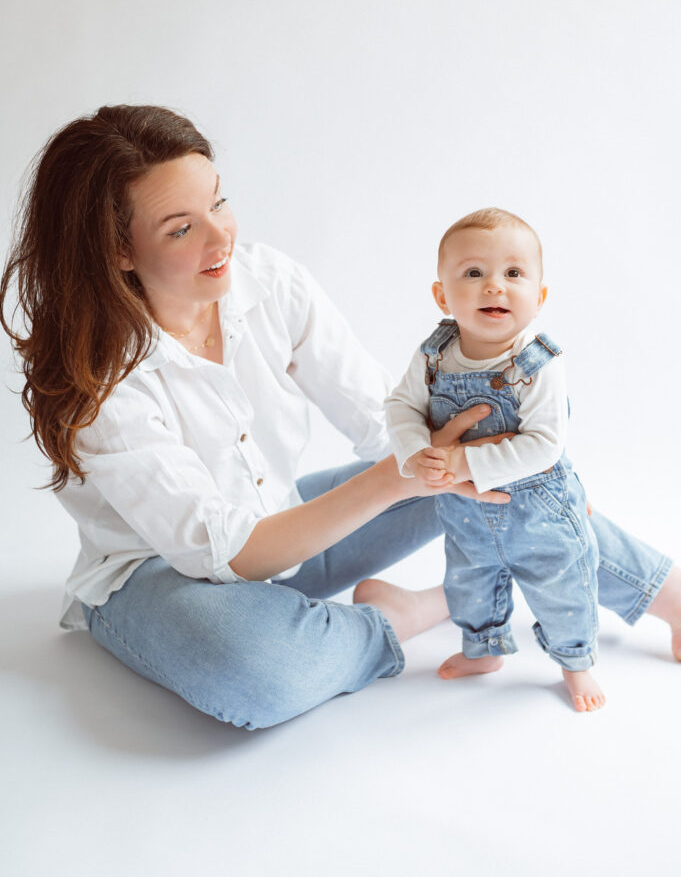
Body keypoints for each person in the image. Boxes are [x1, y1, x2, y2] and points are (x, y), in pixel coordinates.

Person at [1, 106, 679, 730]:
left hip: (284, 523)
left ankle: (667, 593)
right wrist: (408, 478)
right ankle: (405, 613)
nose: (221, 238)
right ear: (118, 252)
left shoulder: (270, 284)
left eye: (218, 202)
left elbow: (382, 418)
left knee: (483, 449)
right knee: (257, 673)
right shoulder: (99, 379)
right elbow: (225, 550)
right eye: (181, 229)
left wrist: (522, 487)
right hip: (158, 576)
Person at [386, 209, 604, 710]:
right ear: (442, 295)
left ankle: (576, 663)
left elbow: (545, 444)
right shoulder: (434, 355)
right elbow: (401, 406)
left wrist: (461, 462)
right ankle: (483, 651)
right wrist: (416, 452)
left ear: (539, 297)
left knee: (564, 589)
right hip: (467, 517)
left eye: (513, 274)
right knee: (469, 585)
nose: (494, 287)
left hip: (540, 513)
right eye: (473, 273)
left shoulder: (538, 363)